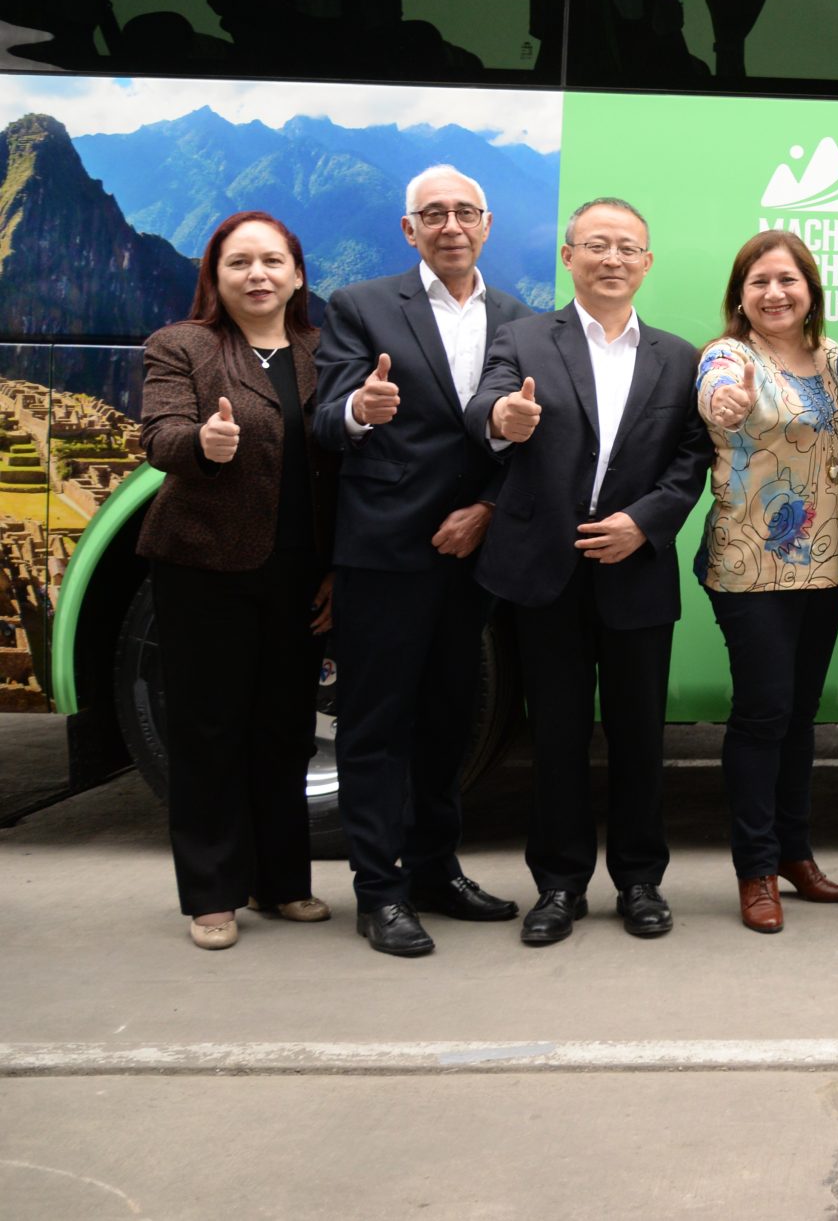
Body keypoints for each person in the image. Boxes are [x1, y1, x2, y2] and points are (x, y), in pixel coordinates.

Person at [465, 197, 712, 945]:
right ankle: (559, 884)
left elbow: (692, 454)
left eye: (627, 247)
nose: (612, 258)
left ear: (647, 262)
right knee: (560, 738)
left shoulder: (679, 354)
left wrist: (644, 521)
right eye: (596, 245)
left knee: (640, 737)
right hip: (547, 573)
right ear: (569, 256)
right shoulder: (524, 337)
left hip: (636, 569)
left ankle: (640, 880)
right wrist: (502, 419)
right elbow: (487, 401)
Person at [313, 165, 533, 959]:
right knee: (377, 725)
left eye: (463, 212)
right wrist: (357, 410)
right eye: (432, 214)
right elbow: (326, 418)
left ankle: (437, 870)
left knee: (450, 721)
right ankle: (380, 892)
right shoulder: (361, 306)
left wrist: (490, 512)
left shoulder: (519, 317)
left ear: (487, 222)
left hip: (471, 549)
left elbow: (532, 442)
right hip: (387, 553)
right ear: (409, 230)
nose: (449, 225)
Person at [136, 211, 338, 951]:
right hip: (202, 565)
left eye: (272, 260)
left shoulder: (325, 350)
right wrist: (203, 442)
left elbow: (346, 461)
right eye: (239, 262)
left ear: (298, 274)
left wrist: (339, 570)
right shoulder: (181, 346)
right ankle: (212, 892)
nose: (257, 274)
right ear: (215, 277)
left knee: (284, 730)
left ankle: (282, 881)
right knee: (208, 728)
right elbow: (158, 437)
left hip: (300, 570)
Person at [695, 230, 838, 934]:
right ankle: (755, 868)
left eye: (788, 280)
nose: (775, 292)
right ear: (741, 294)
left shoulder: (835, 359)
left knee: (801, 717)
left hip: (826, 564)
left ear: (810, 292)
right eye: (760, 280)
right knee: (763, 713)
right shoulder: (730, 356)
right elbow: (716, 397)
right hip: (750, 564)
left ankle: (795, 854)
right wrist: (725, 405)